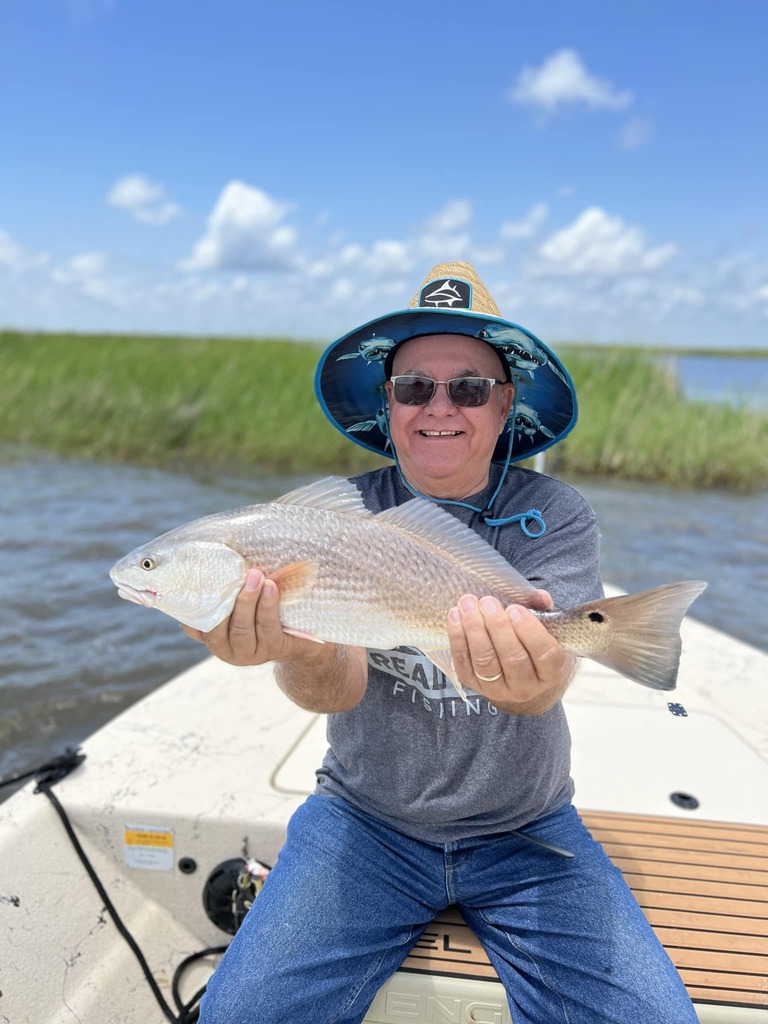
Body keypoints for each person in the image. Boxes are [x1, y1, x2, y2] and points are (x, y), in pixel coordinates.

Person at [190, 262, 699, 1024]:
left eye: (467, 387)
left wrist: (533, 669)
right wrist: (297, 646)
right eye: (413, 387)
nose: (439, 407)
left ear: (505, 403)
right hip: (365, 822)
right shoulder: (338, 517)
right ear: (387, 402)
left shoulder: (555, 513)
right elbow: (337, 688)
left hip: (526, 832)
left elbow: (542, 686)